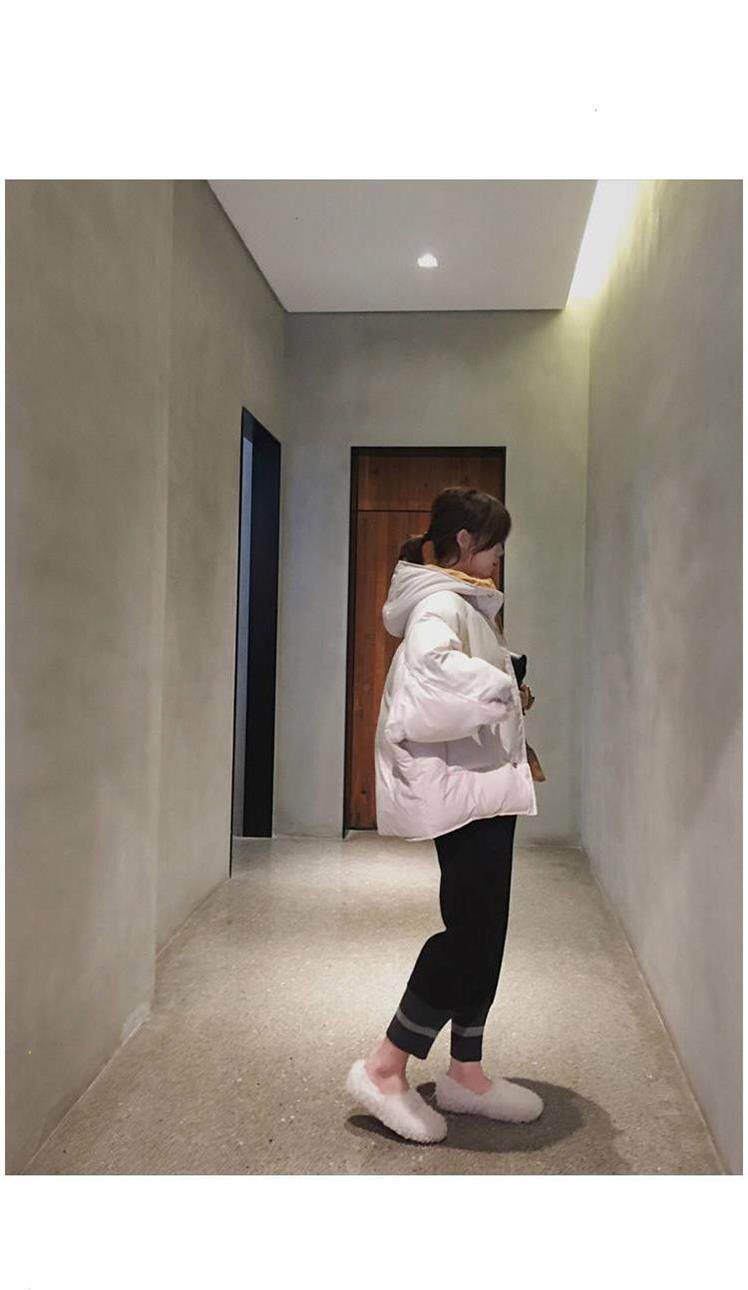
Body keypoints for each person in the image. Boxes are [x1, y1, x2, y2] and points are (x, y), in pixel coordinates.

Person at [344, 486, 544, 1143]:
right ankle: (384, 1066)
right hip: (466, 791)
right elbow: (428, 681)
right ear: (463, 540)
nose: (499, 556)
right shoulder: (439, 603)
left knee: (486, 931)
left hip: (483, 787)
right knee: (468, 934)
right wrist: (501, 687)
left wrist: (503, 678)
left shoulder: (460, 600)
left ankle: (466, 1072)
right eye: (494, 544)